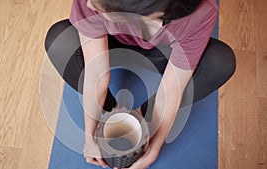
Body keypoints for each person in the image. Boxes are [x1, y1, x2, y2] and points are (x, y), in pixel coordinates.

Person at [44, 0, 236, 168]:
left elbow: (170, 90)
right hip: (109, 41)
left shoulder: (199, 11)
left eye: (104, 4)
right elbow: (96, 74)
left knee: (221, 61)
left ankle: (143, 114)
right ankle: (113, 112)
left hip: (162, 52)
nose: (89, 4)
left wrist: (154, 147)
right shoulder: (91, 1)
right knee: (59, 41)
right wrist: (90, 136)